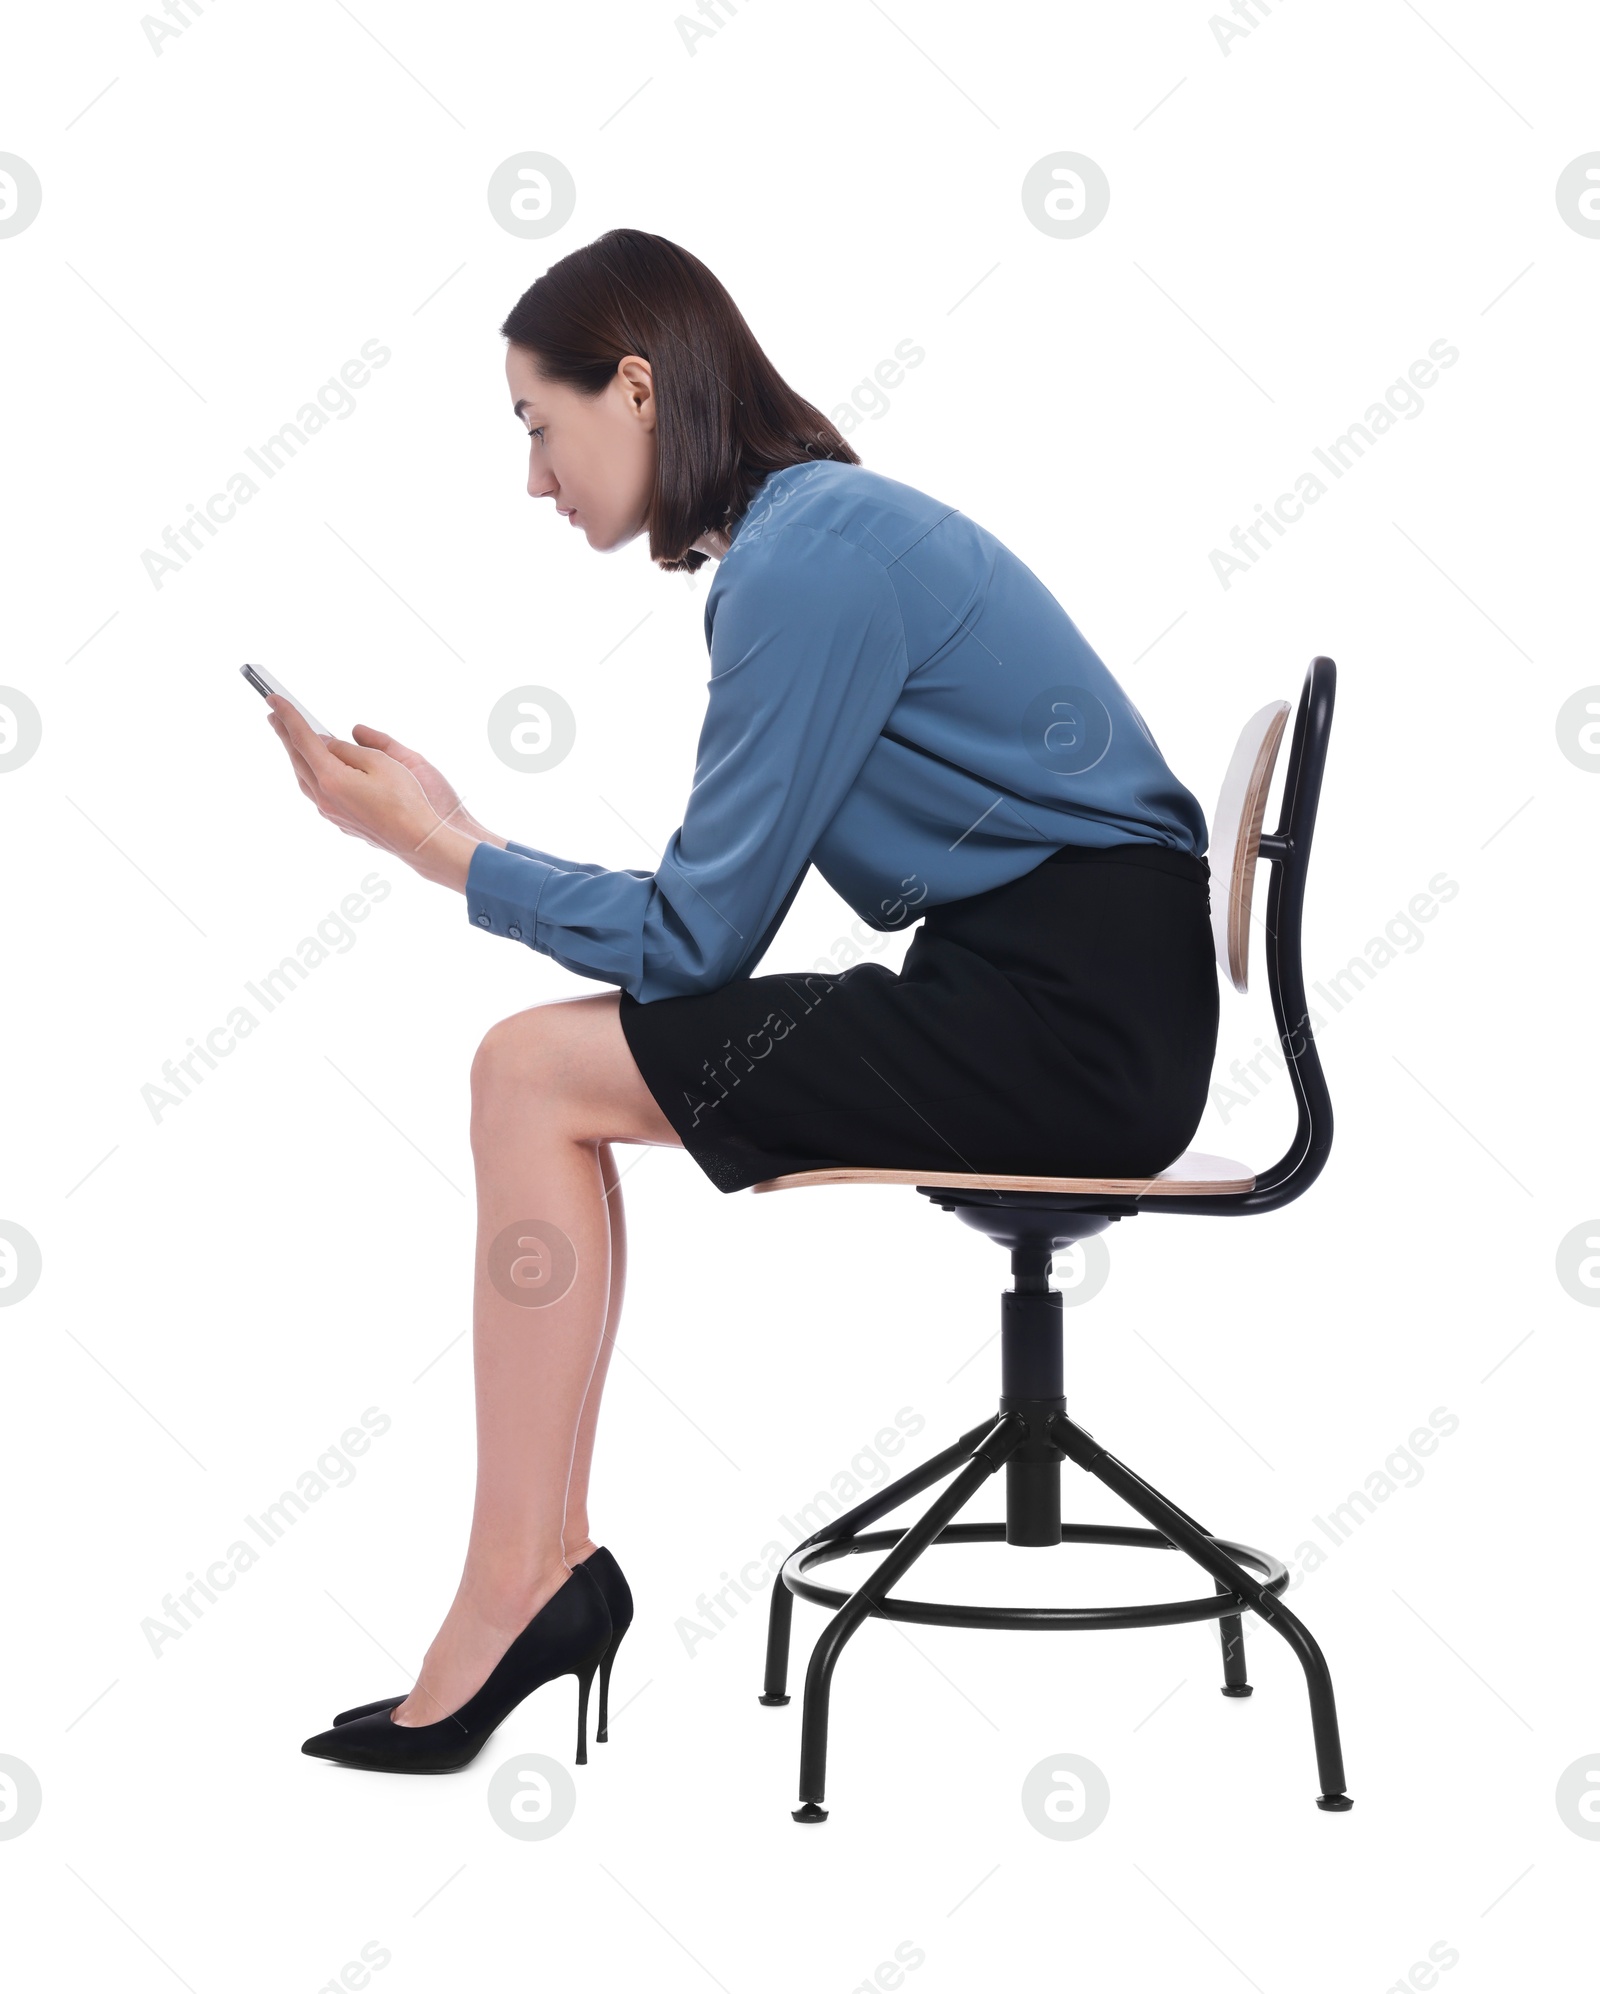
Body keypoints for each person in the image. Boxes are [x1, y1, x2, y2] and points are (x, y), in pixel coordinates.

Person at [281, 229, 1220, 1776]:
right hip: (1053, 993)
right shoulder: (809, 541)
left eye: (537, 422)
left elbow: (695, 938)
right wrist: (470, 845)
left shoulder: (808, 561)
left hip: (1066, 1026)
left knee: (529, 1074)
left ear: (635, 388)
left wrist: (443, 850)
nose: (534, 476)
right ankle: (538, 1572)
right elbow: (703, 925)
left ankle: (525, 1584)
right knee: (533, 1072)